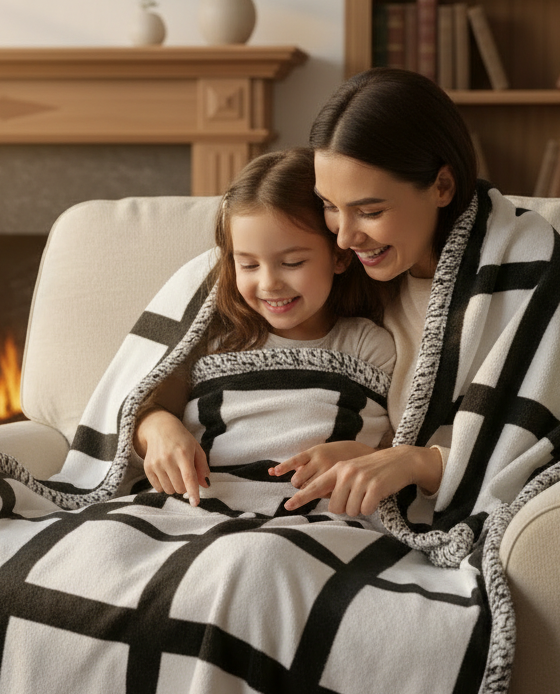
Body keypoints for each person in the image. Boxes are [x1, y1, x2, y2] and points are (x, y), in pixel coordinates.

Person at [278, 66, 560, 540]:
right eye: (329, 205)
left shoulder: (528, 264)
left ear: (442, 186)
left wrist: (417, 461)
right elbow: (221, 303)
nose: (343, 235)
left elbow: (543, 445)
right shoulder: (332, 261)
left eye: (370, 211)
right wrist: (152, 418)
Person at [133, 146, 396, 507]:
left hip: (306, 513)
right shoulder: (209, 340)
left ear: (338, 255)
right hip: (202, 505)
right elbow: (141, 406)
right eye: (249, 265)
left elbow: (398, 444)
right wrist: (159, 428)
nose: (269, 283)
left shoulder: (369, 345)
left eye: (291, 262)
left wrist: (358, 454)